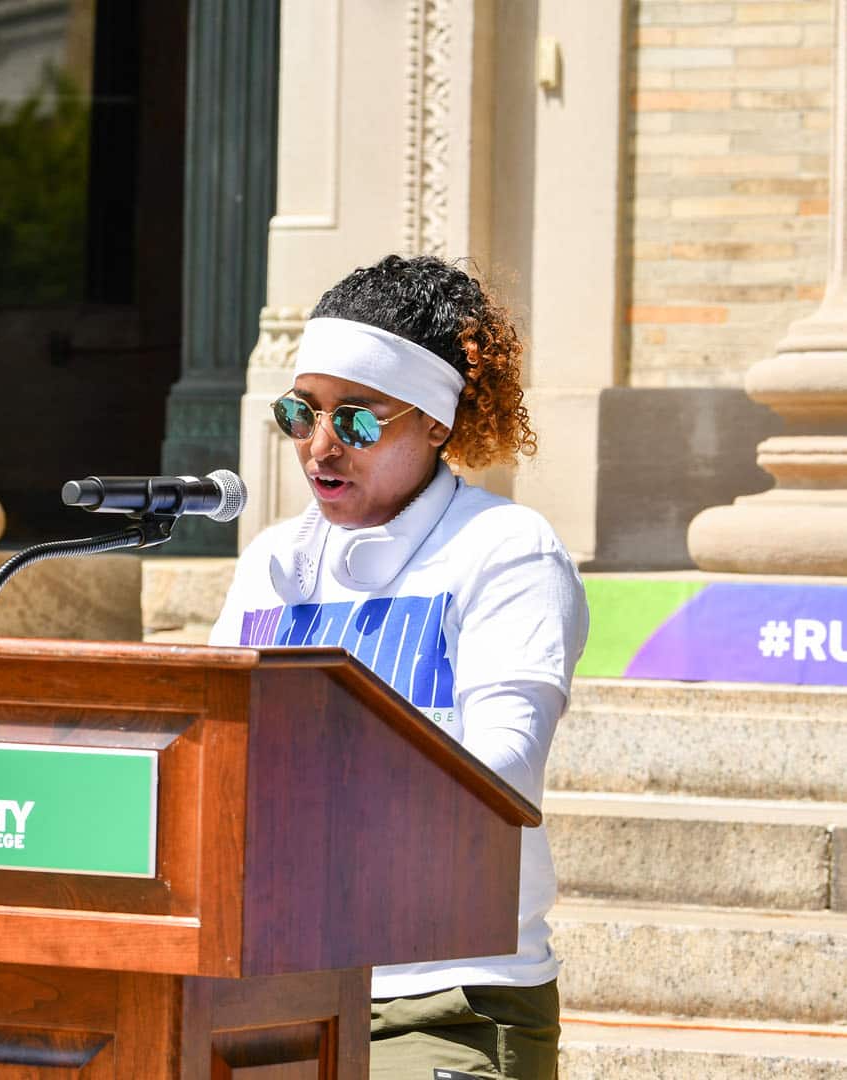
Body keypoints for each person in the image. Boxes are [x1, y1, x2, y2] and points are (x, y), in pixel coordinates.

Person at [209, 254, 587, 1080]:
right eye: (300, 414)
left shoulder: (504, 551)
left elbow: (501, 773)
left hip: (448, 997)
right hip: (272, 987)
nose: (319, 447)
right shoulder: (272, 562)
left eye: (357, 420)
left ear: (438, 423)